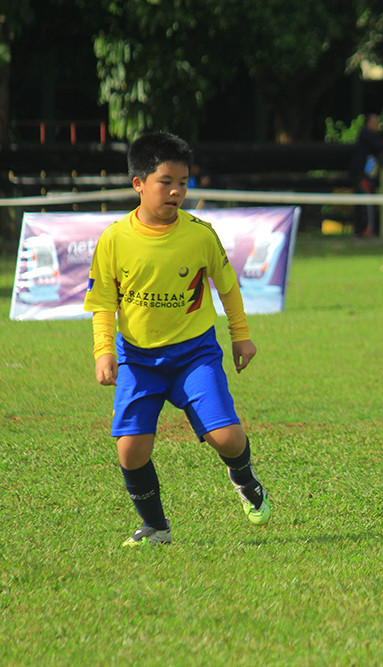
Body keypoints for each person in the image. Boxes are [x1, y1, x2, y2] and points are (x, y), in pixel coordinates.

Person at [84, 132, 271, 547]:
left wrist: (241, 337)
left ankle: (244, 477)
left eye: (183, 183)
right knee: (130, 449)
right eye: (166, 181)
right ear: (138, 184)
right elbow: (103, 303)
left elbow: (228, 287)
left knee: (227, 437)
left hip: (194, 356)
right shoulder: (114, 239)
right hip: (136, 359)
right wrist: (103, 351)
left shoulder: (200, 234)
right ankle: (156, 527)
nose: (176, 191)